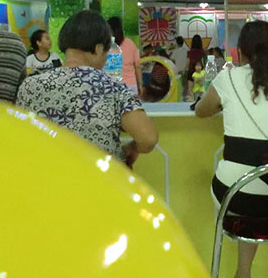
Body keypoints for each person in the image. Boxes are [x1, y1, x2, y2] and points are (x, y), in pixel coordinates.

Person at [195, 21, 268, 278]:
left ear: (240, 52)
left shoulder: (227, 78)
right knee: (259, 186)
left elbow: (201, 111)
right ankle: (243, 273)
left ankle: (241, 276)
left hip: (234, 197)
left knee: (244, 186)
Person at [16, 11, 158, 166]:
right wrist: (132, 148)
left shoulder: (30, 85)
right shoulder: (114, 88)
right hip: (98, 177)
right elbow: (148, 138)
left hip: (45, 174)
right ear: (98, 49)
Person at [107, 16, 143, 96]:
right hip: (131, 85)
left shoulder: (106, 46)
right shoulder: (130, 43)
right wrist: (140, 85)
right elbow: (137, 66)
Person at [186, 34, 205, 100]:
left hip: (191, 71)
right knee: (200, 88)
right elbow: (203, 62)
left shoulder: (190, 52)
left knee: (190, 89)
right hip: (200, 72)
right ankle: (200, 101)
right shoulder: (202, 51)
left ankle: (192, 100)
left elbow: (188, 62)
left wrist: (184, 70)